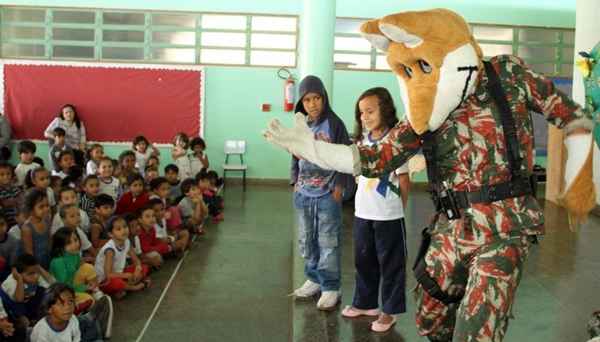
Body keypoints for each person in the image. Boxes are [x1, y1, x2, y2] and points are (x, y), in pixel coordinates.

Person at [264, 8, 595, 341]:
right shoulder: (424, 105)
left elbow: (570, 114)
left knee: (476, 327)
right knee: (429, 316)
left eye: (423, 65)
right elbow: (377, 157)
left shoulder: (506, 76)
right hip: (452, 227)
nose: (418, 77)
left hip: (504, 227)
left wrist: (579, 173)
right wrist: (314, 149)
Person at [340, 87, 410, 332]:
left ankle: (389, 312)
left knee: (391, 265)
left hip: (388, 216)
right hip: (363, 213)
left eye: (370, 111)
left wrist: (396, 209)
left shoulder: (395, 141)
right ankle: (365, 303)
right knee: (363, 261)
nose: (365, 117)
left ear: (386, 110)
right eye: (361, 113)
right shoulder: (362, 141)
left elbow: (403, 180)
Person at [289, 75, 352, 310]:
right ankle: (314, 278)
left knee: (328, 240)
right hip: (304, 193)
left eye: (316, 98)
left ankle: (330, 286)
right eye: (307, 100)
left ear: (324, 98)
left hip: (327, 194)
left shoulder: (335, 124)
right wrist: (294, 180)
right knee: (308, 239)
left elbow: (345, 156)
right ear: (301, 103)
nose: (312, 104)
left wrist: (339, 187)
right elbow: (294, 152)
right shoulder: (302, 124)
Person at [94, 216, 150, 299]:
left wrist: (137, 269)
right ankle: (134, 287)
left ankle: (124, 287)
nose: (123, 230)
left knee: (144, 267)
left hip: (120, 273)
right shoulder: (110, 250)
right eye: (118, 229)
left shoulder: (126, 241)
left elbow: (136, 260)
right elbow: (108, 275)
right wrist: (126, 275)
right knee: (117, 284)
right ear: (110, 234)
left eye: (125, 227)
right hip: (105, 280)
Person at [49, 228, 100, 314]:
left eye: (76, 240)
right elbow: (63, 287)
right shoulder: (58, 262)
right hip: (61, 292)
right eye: (69, 243)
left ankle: (95, 290)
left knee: (88, 267)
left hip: (72, 283)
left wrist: (88, 284)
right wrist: (83, 287)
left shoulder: (74, 253)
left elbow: (79, 267)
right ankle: (73, 310)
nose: (75, 244)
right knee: (90, 300)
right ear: (60, 247)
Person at [0, 254, 53, 328]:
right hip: (11, 307)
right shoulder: (11, 282)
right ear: (19, 273)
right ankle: (23, 321)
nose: (36, 276)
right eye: (31, 274)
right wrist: (19, 279)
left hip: (26, 302)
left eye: (37, 272)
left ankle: (34, 317)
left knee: (43, 291)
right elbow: (19, 299)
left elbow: (53, 284)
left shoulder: (35, 275)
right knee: (18, 306)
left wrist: (40, 268)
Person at [20, 189, 52, 270]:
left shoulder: (47, 220)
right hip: (35, 265)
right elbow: (30, 256)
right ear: (31, 210)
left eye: (47, 205)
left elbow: (50, 242)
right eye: (41, 207)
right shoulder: (27, 229)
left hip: (48, 260)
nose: (46, 209)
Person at [0, 162, 22, 228]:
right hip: (5, 222)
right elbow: (4, 203)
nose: (5, 177)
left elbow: (21, 200)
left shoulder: (15, 188)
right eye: (2, 174)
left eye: (8, 174)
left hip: (17, 220)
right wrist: (16, 200)